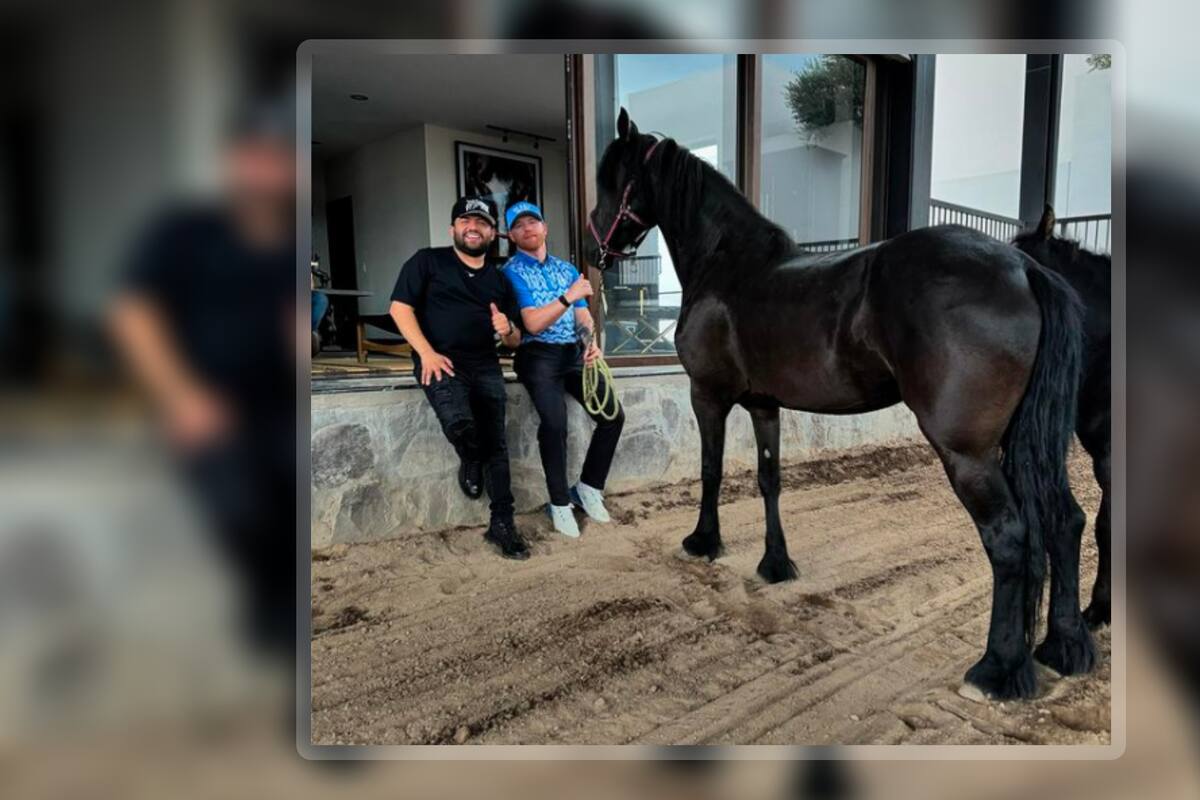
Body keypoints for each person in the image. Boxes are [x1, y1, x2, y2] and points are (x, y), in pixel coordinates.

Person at [109, 106, 296, 658]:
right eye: (256, 156)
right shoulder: (185, 231)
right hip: (204, 400)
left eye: (279, 159)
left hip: (278, 404)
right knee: (236, 503)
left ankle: (275, 618)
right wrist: (180, 396)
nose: (266, 171)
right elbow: (132, 313)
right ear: (233, 161)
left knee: (288, 487)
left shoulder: (290, 245)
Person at [389, 196, 530, 560]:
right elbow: (400, 308)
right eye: (466, 220)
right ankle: (470, 458)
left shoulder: (500, 280)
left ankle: (502, 524)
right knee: (460, 425)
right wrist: (426, 352)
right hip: (440, 361)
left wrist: (508, 328)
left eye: (482, 222)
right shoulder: (427, 261)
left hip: (485, 365)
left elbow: (514, 341)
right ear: (452, 228)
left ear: (493, 233)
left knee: (497, 444)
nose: (473, 227)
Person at [502, 201, 625, 538]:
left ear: (545, 228)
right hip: (536, 355)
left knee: (613, 416)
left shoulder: (567, 269)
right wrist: (568, 298)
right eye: (519, 225)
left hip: (572, 354)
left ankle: (588, 487)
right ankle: (559, 503)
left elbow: (582, 315)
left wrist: (589, 342)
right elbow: (532, 323)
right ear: (511, 236)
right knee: (555, 424)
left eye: (533, 222)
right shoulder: (511, 272)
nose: (527, 228)